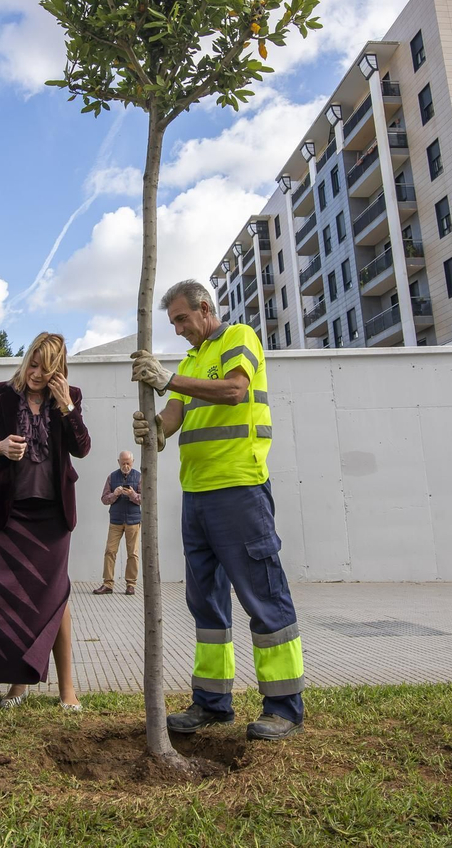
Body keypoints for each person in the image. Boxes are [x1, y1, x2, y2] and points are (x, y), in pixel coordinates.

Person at [130, 280, 304, 742]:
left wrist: (167, 378)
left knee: (262, 594)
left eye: (182, 319)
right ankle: (211, 703)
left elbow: (233, 391)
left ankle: (284, 707)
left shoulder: (237, 338)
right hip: (198, 494)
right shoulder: (190, 360)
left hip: (240, 489)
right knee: (204, 601)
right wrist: (154, 428)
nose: (179, 330)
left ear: (205, 309)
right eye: (173, 323)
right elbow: (174, 414)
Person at [0, 332, 91, 710]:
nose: (37, 373)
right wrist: (0, 448)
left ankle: (67, 690)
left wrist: (67, 406)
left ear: (59, 369)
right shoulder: (0, 393)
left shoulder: (68, 398)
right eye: (33, 364)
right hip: (9, 515)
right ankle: (18, 685)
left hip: (52, 516)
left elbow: (82, 449)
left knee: (55, 597)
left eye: (47, 367)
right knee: (11, 600)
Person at [92, 451, 142, 595]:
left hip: (133, 521)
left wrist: (132, 495)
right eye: (123, 462)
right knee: (110, 551)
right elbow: (104, 499)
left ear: (133, 462)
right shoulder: (112, 477)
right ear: (118, 461)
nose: (126, 466)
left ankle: (131, 584)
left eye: (128, 463)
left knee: (133, 554)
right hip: (116, 520)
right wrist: (115, 494)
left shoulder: (139, 477)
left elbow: (146, 498)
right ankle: (108, 584)